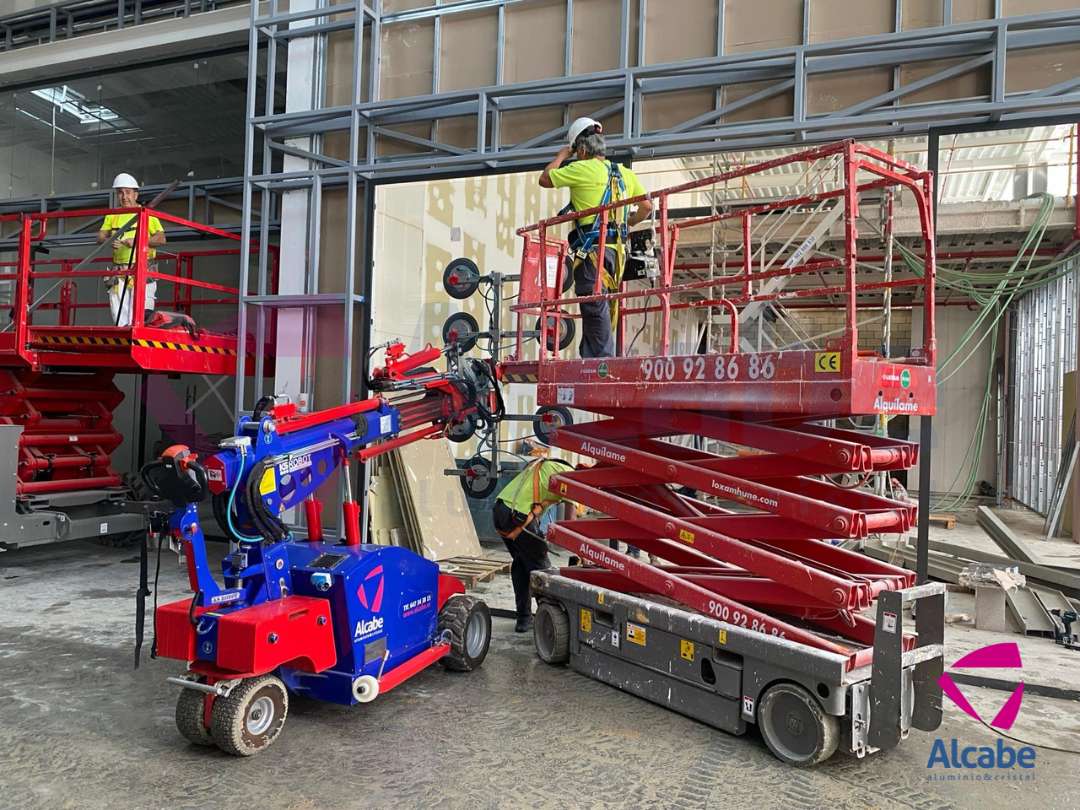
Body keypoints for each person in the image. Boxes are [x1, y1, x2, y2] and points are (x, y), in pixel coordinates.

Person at [539, 116, 653, 358]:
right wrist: (627, 223)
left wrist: (562, 155)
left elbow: (545, 178)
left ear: (580, 149)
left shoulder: (581, 168)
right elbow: (646, 207)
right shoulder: (623, 173)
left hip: (592, 252)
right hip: (617, 253)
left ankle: (602, 363)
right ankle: (591, 356)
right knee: (605, 304)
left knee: (593, 304)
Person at [493, 451, 576, 633]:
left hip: (500, 512)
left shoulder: (549, 466)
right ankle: (552, 624)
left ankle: (523, 619)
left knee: (522, 564)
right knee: (542, 569)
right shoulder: (573, 477)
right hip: (519, 516)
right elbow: (571, 524)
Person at [97, 172, 166, 327]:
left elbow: (161, 239)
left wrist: (137, 241)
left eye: (128, 192)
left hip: (141, 270)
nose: (124, 196)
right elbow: (100, 236)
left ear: (136, 194)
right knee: (119, 317)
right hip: (119, 273)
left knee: (139, 316)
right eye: (120, 192)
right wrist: (109, 241)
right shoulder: (112, 216)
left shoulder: (148, 215)